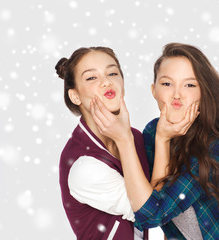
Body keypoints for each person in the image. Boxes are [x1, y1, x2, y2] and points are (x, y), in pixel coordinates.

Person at [91, 43, 219, 239]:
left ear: (203, 91)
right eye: (166, 84)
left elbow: (152, 214)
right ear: (153, 90)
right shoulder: (152, 132)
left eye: (189, 85)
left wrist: (126, 139)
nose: (177, 95)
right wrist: (162, 139)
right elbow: (157, 206)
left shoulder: (216, 143)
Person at [55, 46, 150, 240]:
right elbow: (150, 212)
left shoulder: (135, 138)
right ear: (75, 96)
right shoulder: (83, 166)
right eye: (92, 78)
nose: (107, 82)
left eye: (113, 73)